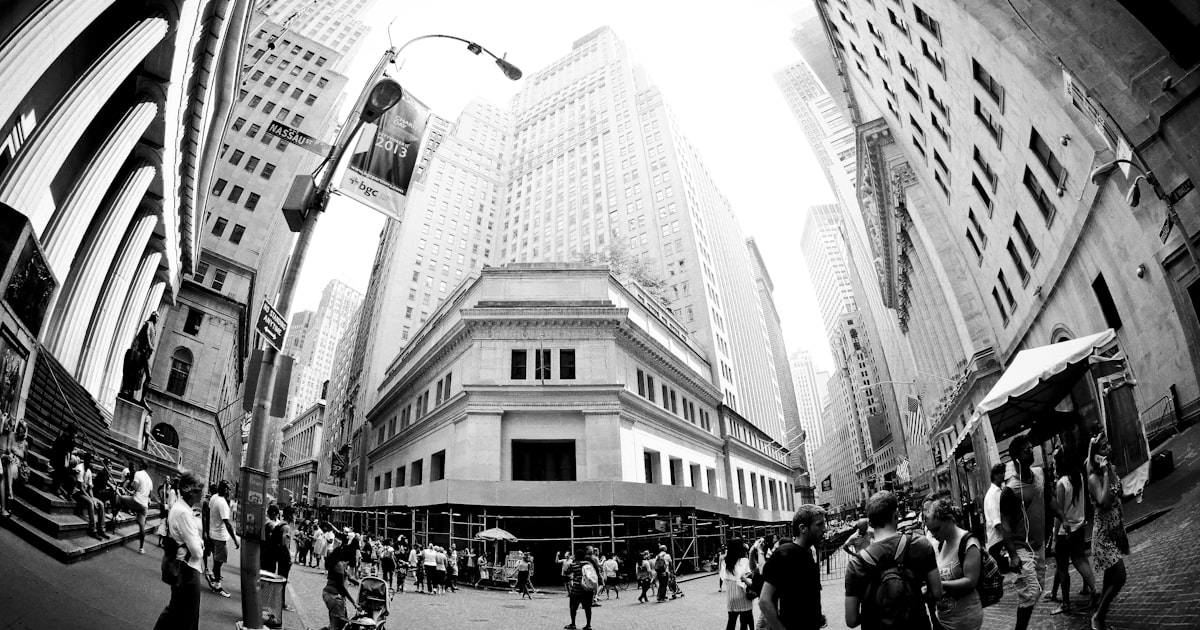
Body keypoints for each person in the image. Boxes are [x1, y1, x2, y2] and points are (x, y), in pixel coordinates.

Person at [845, 490, 942, 630]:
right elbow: (937, 592)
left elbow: (851, 620)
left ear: (870, 522)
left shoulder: (856, 564)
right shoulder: (920, 545)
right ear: (896, 515)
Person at [1000, 434, 1061, 630]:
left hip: (1039, 545)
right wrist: (1013, 555)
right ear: (1016, 457)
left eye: (1030, 447)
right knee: (1031, 591)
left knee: (1037, 590)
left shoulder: (1040, 475)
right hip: (1022, 548)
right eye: (1025, 449)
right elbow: (1006, 525)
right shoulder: (1010, 489)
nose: (1030, 451)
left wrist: (1064, 518)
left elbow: (1049, 499)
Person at [1088, 434, 1132, 630]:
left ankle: (1101, 618)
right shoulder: (1093, 478)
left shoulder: (1113, 470)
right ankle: (1097, 617)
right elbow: (1104, 501)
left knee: (1110, 580)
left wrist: (1135, 491)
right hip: (1104, 535)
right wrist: (1104, 473)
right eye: (1103, 447)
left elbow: (1119, 494)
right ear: (1096, 455)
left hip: (1116, 531)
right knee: (1120, 576)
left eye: (1108, 444)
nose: (1108, 448)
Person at [153, 471, 206, 630]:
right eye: (200, 490)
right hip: (188, 569)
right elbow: (197, 552)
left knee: (176, 611)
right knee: (186, 617)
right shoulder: (183, 513)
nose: (202, 493)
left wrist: (198, 541)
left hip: (182, 565)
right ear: (191, 491)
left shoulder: (181, 508)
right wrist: (200, 544)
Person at [760, 506, 827, 630]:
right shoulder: (784, 554)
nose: (824, 528)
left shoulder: (808, 554)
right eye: (819, 524)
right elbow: (764, 601)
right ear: (803, 528)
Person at [1051, 446, 1098, 615]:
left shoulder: (1062, 483)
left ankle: (1065, 603)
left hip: (1066, 531)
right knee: (1080, 560)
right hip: (1079, 525)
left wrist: (1055, 537)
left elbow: (1059, 513)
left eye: (1054, 461)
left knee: (1063, 568)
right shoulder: (1078, 476)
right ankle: (1093, 589)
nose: (1053, 464)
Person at [924, 498, 983, 630]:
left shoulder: (968, 542)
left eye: (936, 529)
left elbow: (971, 581)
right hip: (945, 620)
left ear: (949, 520)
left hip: (965, 620)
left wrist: (938, 584)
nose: (933, 535)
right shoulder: (942, 544)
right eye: (930, 531)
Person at [207, 480, 239, 597]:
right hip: (220, 536)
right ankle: (217, 585)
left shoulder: (214, 498)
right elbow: (228, 523)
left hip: (213, 533)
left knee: (217, 560)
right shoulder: (222, 503)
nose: (229, 491)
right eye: (228, 489)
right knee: (219, 561)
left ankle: (215, 579)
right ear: (225, 490)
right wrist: (235, 539)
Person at [114, 459, 152, 553]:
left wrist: (131, 486)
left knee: (120, 498)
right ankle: (141, 548)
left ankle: (115, 515)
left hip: (136, 500)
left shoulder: (138, 473)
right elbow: (150, 495)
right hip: (144, 505)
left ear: (140, 465)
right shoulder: (150, 480)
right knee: (142, 526)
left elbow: (134, 487)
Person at [323, 532, 359, 630]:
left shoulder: (336, 562)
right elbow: (341, 587)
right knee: (336, 627)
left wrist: (361, 584)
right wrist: (353, 602)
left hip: (330, 595)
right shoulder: (338, 565)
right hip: (334, 596)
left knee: (338, 624)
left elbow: (349, 577)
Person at [73, 451, 109, 539]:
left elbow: (90, 488)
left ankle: (102, 529)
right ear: (86, 461)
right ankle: (93, 529)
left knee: (100, 503)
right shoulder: (80, 468)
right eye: (91, 462)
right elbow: (81, 488)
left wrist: (93, 498)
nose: (92, 464)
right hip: (77, 493)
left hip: (85, 493)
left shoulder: (88, 471)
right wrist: (91, 499)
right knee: (90, 502)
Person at [721, 539, 755, 630]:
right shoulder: (744, 561)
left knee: (731, 621)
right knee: (744, 622)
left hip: (731, 594)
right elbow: (748, 575)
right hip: (742, 594)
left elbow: (722, 577)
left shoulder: (725, 561)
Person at [982, 463, 1010, 572]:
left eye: (1003, 472)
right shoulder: (992, 494)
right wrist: (1008, 540)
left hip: (1003, 538)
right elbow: (996, 522)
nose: (1003, 475)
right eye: (1000, 473)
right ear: (994, 475)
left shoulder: (1001, 491)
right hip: (998, 541)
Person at [565, 546, 600, 630]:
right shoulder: (588, 564)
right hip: (587, 590)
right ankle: (588, 625)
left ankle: (573, 624)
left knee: (573, 608)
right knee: (588, 608)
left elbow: (567, 573)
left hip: (576, 590)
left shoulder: (573, 565)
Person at [1, 416, 29, 519]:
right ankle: (10, 494)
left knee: (9, 469)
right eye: (19, 431)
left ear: (25, 432)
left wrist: (21, 462)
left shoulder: (25, 444)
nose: (19, 434)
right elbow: (8, 449)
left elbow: (25, 460)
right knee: (8, 465)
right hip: (9, 459)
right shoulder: (12, 435)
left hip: (17, 465)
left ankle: (7, 502)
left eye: (22, 432)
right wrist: (12, 455)